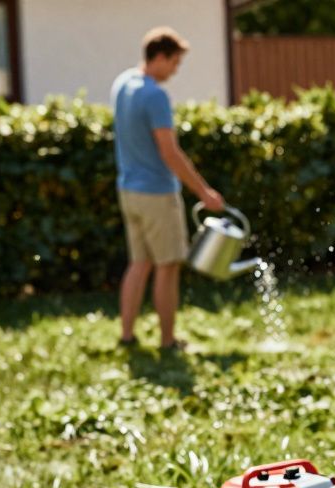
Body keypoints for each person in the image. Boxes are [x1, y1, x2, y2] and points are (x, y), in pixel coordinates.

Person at [112, 26, 224, 352]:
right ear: (159, 57)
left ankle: (127, 336)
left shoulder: (123, 84)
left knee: (139, 263)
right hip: (157, 194)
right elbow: (170, 152)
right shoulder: (155, 96)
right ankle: (168, 340)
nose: (175, 70)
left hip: (129, 190)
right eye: (174, 62)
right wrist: (204, 192)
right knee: (168, 265)